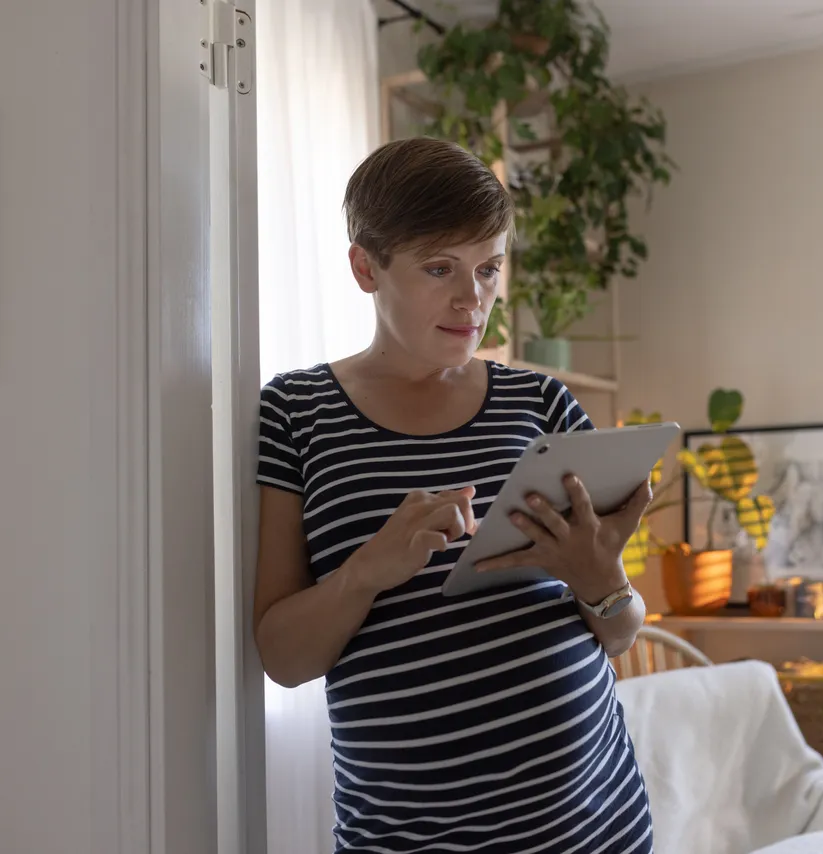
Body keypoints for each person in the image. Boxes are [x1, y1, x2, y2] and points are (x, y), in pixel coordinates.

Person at [253, 136, 655, 854]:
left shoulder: (542, 402)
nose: (473, 298)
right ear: (364, 268)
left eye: (488, 268)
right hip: (406, 839)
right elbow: (283, 659)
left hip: (595, 830)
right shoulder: (295, 412)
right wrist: (366, 573)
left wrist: (600, 580)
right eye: (440, 268)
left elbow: (621, 634)